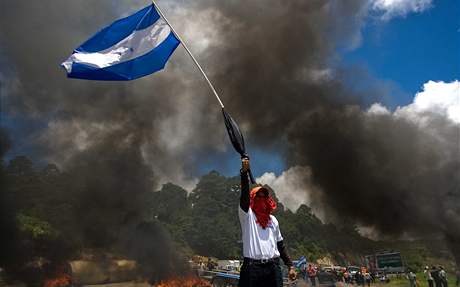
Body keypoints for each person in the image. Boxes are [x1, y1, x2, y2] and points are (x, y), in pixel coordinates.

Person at [238, 158, 297, 287]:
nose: (261, 199)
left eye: (264, 196)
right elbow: (244, 197)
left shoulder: (273, 220)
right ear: (253, 199)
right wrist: (244, 173)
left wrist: (290, 265)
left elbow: (280, 245)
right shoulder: (247, 216)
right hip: (252, 268)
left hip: (273, 267)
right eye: (258, 196)